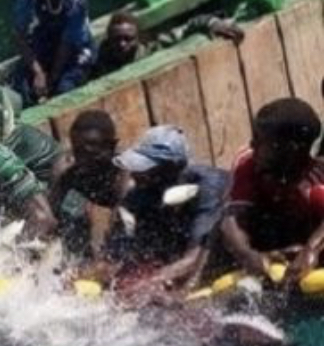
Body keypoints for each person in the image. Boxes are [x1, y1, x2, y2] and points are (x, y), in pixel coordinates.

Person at [108, 125, 227, 294]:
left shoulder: (208, 188)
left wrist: (147, 284)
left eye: (144, 168)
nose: (135, 175)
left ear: (171, 169)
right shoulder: (143, 194)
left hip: (217, 261)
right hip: (178, 261)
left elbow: (194, 259)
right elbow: (115, 256)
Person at [222, 98, 324, 284]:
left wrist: (311, 250)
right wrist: (247, 254)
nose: (252, 144)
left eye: (260, 140)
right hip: (269, 240)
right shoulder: (247, 163)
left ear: (290, 150)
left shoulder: (313, 184)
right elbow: (232, 221)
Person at [12, 0, 96, 103]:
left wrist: (51, 80)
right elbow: (19, 35)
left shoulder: (77, 2)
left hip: (74, 50)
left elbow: (68, 44)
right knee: (22, 87)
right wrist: (38, 72)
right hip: (47, 43)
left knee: (64, 89)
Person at [48, 110, 126, 261]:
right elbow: (50, 216)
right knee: (69, 216)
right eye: (78, 151)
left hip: (131, 215)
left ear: (111, 147)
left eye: (92, 152)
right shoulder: (67, 168)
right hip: (83, 206)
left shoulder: (124, 171)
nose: (83, 160)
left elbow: (122, 217)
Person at [92, 10, 246, 79]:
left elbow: (187, 27)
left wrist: (213, 22)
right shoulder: (96, 62)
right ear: (108, 38)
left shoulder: (152, 51)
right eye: (117, 39)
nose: (122, 44)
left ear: (138, 38)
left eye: (128, 38)